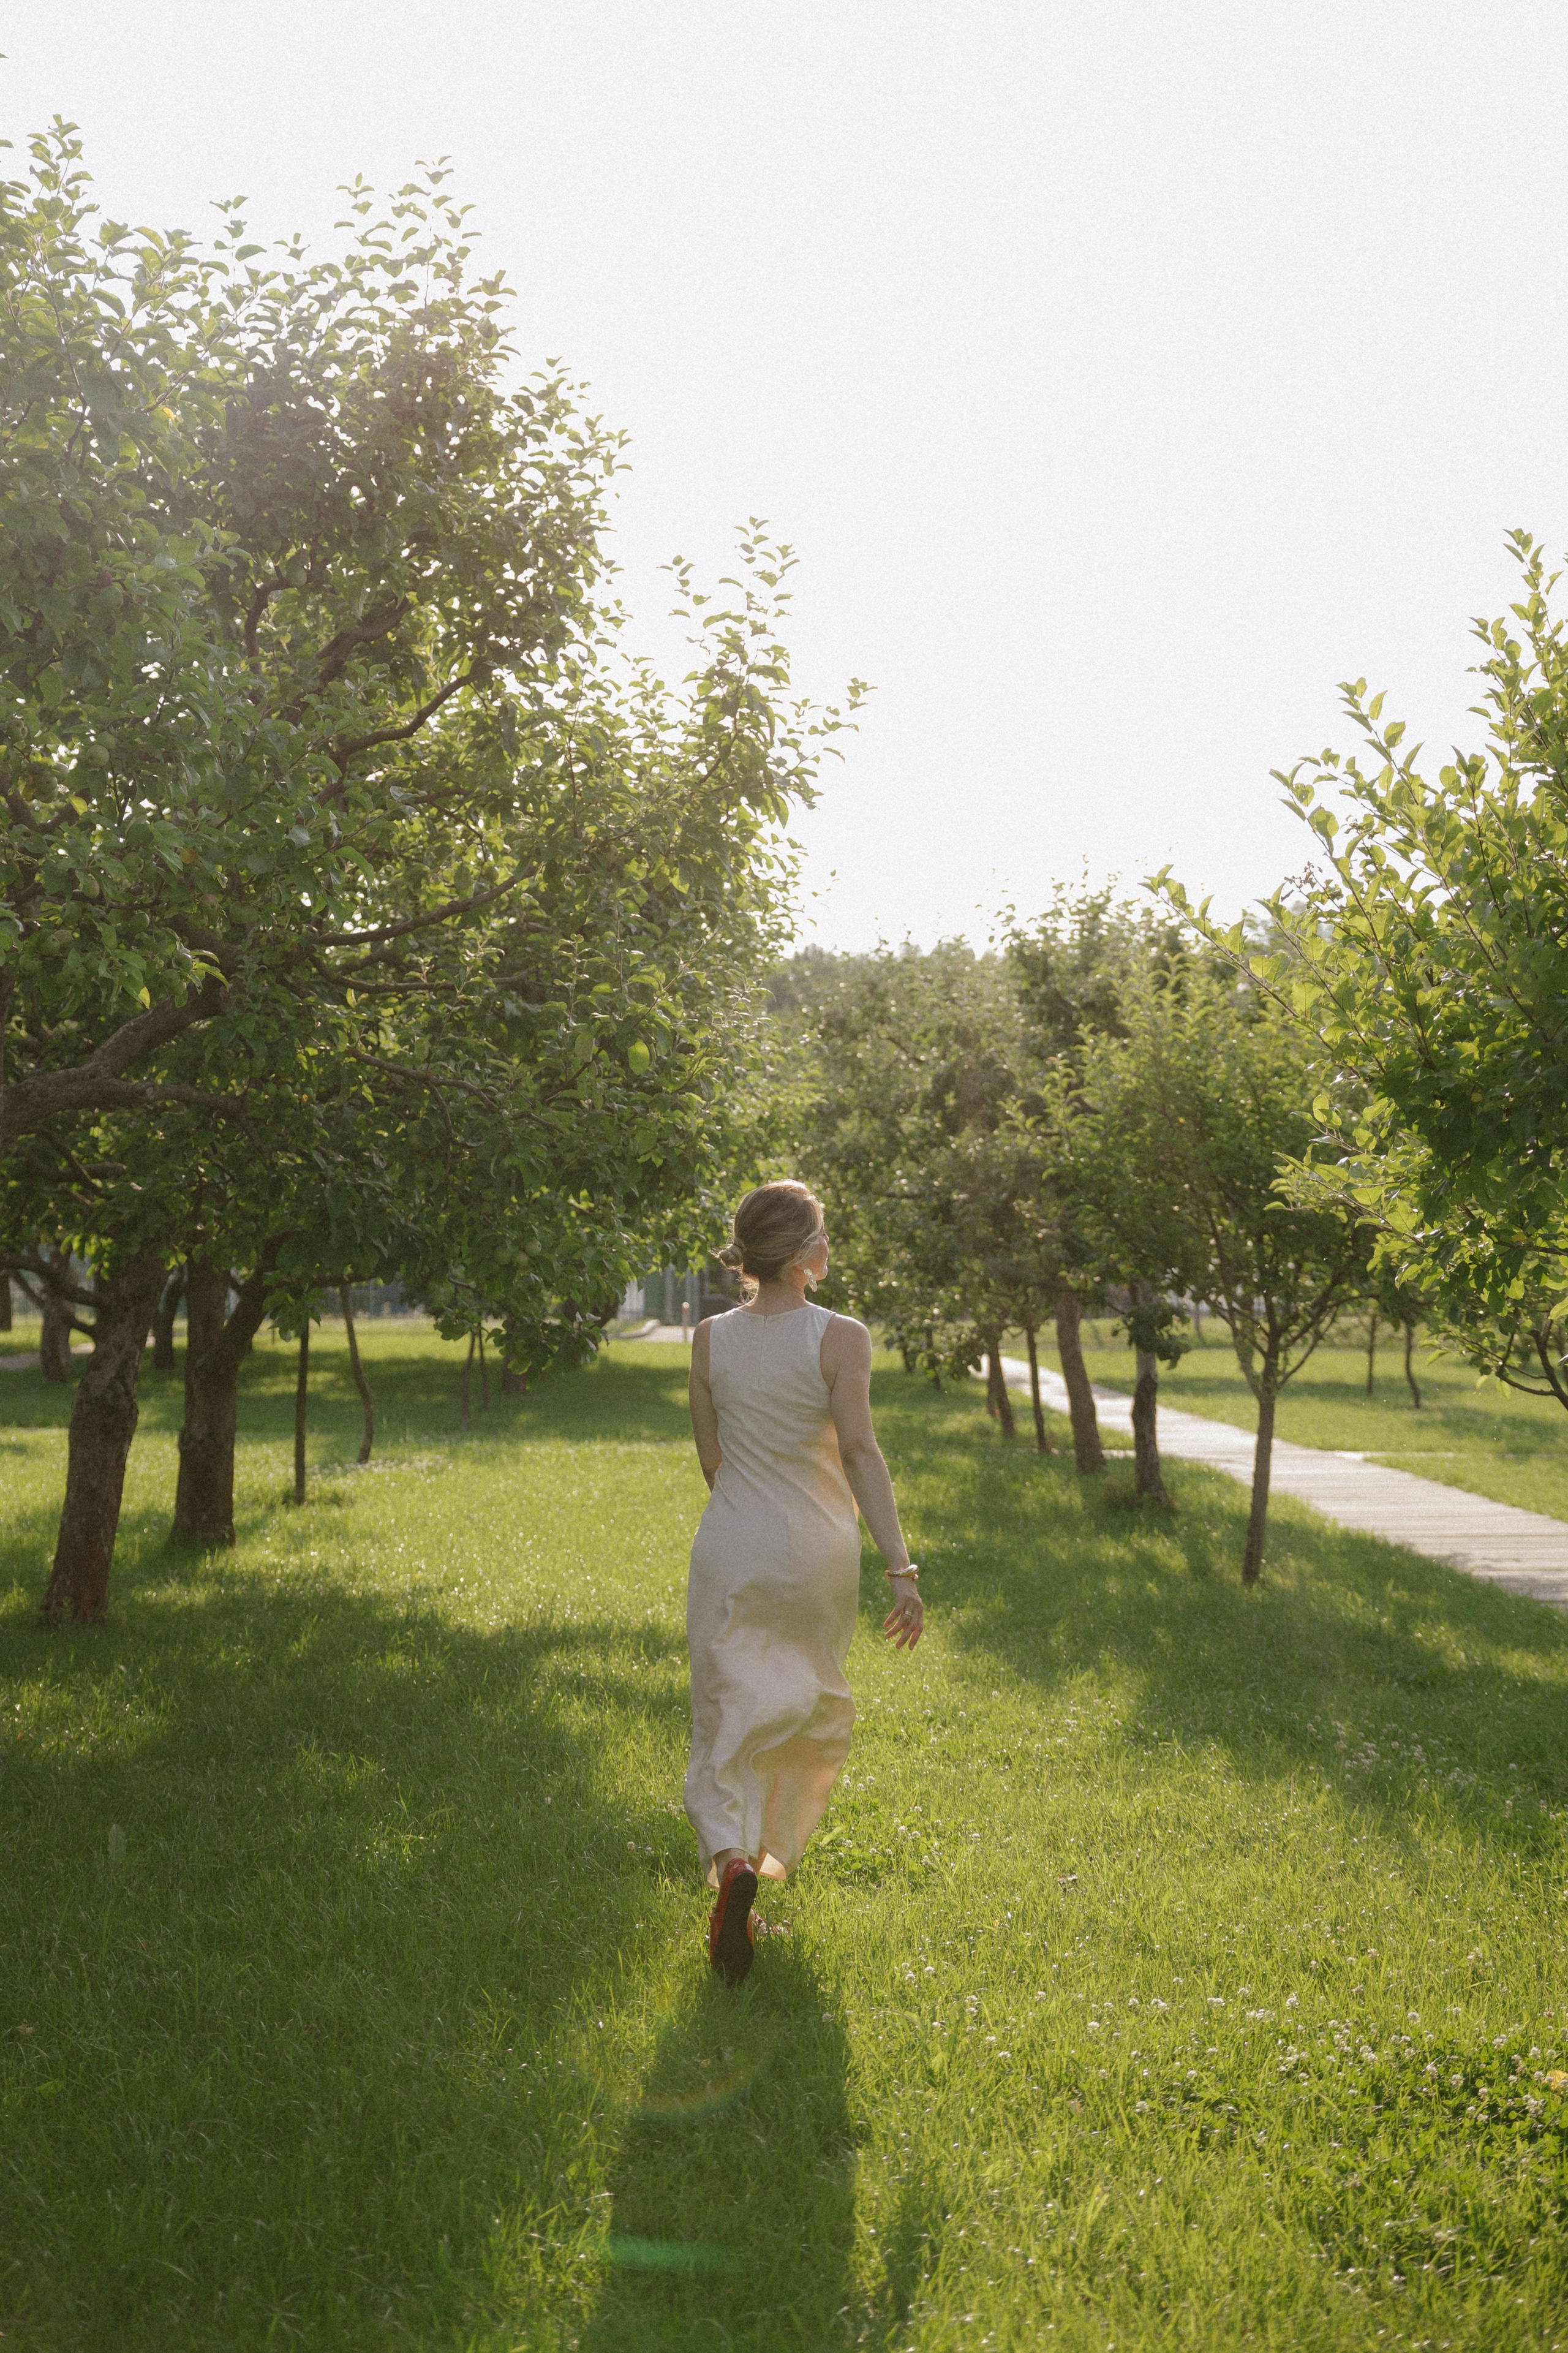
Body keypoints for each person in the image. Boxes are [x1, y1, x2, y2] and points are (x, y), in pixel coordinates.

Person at [684, 1179, 923, 1985]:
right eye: (823, 1232)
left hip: (733, 1540)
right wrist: (901, 1567)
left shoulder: (709, 1337)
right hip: (821, 1547)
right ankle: (751, 1876)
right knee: (801, 1702)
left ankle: (729, 1861)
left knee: (727, 1703)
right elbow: (860, 1452)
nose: (830, 1245)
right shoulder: (843, 1336)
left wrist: (750, 1509)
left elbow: (711, 1458)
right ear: (799, 1254)